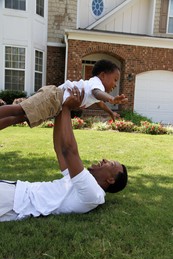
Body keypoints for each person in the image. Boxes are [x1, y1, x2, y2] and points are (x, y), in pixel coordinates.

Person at [0, 87, 128, 222]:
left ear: (110, 180)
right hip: (18, 192)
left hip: (17, 201)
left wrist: (67, 108)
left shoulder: (93, 193)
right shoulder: (81, 183)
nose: (104, 159)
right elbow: (60, 150)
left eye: (111, 164)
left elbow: (69, 150)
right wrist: (60, 110)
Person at [0, 59, 128, 130]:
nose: (115, 84)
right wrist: (111, 99)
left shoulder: (94, 88)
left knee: (22, 117)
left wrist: (110, 112)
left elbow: (99, 102)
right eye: (115, 79)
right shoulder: (97, 84)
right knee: (19, 110)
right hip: (55, 97)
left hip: (55, 105)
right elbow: (98, 93)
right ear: (103, 75)